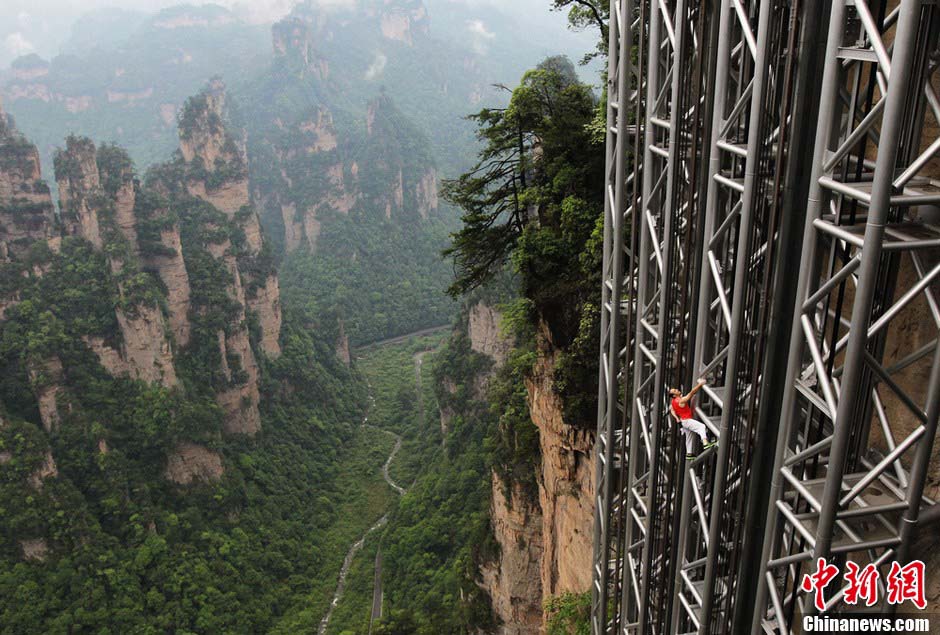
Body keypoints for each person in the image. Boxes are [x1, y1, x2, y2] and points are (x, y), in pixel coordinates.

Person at [669, 379, 716, 460]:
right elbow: (692, 392)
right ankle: (705, 443)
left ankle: (689, 453)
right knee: (701, 427)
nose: (677, 390)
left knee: (689, 437)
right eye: (675, 391)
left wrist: (677, 418)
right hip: (687, 421)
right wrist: (700, 384)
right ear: (674, 395)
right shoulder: (681, 400)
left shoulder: (673, 402)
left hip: (683, 422)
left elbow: (671, 409)